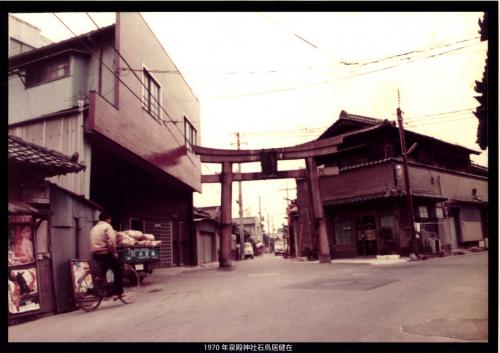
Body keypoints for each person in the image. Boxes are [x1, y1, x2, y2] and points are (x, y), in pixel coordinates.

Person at [90, 211, 123, 299]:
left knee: (104, 269)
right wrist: (113, 252)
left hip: (95, 253)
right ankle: (117, 292)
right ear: (108, 219)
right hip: (104, 252)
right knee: (118, 269)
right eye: (110, 219)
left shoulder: (94, 228)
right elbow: (112, 241)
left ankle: (102, 286)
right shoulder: (108, 227)